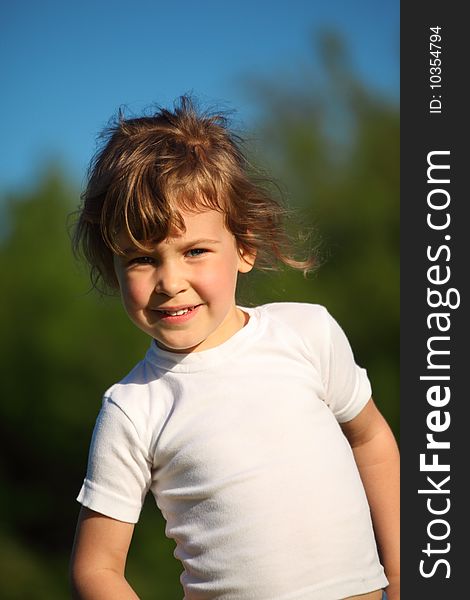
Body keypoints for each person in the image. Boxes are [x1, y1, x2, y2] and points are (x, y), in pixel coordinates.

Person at [69, 96, 400, 600]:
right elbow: (97, 569)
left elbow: (370, 441)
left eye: (195, 251)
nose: (170, 281)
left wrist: (401, 575)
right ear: (112, 271)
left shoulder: (307, 333)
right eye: (141, 259)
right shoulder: (134, 408)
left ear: (244, 247)